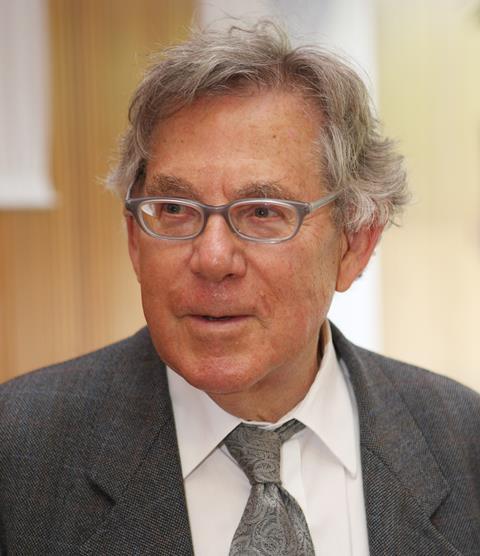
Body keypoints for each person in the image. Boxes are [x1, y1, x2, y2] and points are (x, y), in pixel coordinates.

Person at [0, 21, 479, 556]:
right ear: (135, 239)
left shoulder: (464, 442)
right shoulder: (18, 452)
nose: (212, 258)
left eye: (262, 212)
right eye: (176, 210)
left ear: (354, 244)